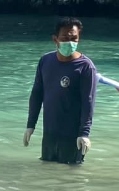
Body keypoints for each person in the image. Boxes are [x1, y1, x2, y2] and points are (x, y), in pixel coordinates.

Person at [24, 17, 97, 164]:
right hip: (50, 132)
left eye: (74, 38)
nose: (70, 42)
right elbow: (37, 93)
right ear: (55, 39)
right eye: (65, 38)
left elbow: (88, 102)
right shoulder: (45, 61)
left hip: (73, 136)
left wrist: (84, 133)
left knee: (71, 176)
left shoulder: (86, 67)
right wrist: (30, 125)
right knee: (47, 170)